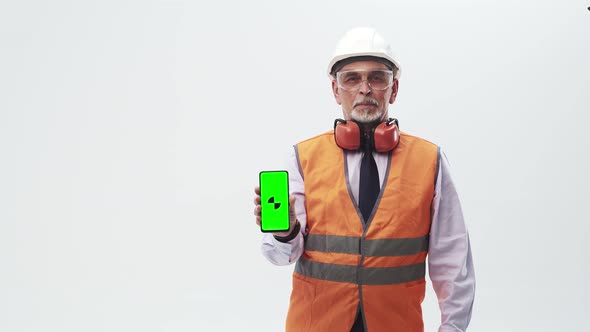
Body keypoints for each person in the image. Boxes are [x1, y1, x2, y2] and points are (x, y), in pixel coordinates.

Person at [253, 27, 475, 332]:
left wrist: (453, 328)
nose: (365, 89)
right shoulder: (302, 158)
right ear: (335, 90)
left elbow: (453, 258)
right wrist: (285, 231)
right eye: (352, 78)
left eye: (377, 77)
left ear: (393, 89)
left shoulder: (430, 160)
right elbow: (278, 256)